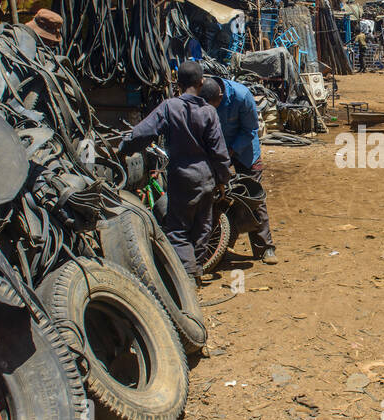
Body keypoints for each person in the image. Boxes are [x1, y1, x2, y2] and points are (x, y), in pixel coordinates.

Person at [118, 61, 232, 283]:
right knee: (203, 227)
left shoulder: (170, 107)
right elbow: (219, 152)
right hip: (206, 178)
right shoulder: (209, 112)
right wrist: (222, 180)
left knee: (178, 229)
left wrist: (123, 147)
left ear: (177, 84)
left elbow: (142, 133)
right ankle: (196, 270)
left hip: (181, 178)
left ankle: (187, 276)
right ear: (201, 83)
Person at [201, 76, 277, 265]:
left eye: (215, 105)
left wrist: (231, 151)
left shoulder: (242, 96)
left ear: (221, 95)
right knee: (218, 195)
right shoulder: (204, 98)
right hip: (219, 151)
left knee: (252, 196)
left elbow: (251, 129)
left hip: (245, 150)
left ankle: (265, 248)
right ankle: (220, 245)